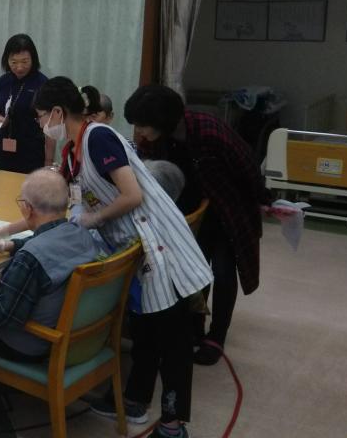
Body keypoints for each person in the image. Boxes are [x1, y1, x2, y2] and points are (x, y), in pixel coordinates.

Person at [28, 77, 212, 438]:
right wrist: (6, 231)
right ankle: (135, 400)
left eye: (40, 116)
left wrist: (94, 218)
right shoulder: (71, 152)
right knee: (146, 331)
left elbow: (132, 196)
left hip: (160, 244)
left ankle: (173, 426)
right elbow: (57, 203)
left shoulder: (98, 137)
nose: (40, 124)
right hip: (135, 247)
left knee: (172, 338)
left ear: (57, 113)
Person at [124, 84, 270, 366]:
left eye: (142, 125)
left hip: (229, 207)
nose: (138, 131)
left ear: (162, 121)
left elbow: (248, 166)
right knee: (192, 267)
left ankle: (217, 336)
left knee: (224, 271)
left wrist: (265, 199)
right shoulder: (153, 140)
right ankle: (194, 325)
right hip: (189, 209)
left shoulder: (209, 130)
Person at [0, 168, 98, 361]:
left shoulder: (29, 259)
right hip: (77, 339)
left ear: (27, 209)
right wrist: (5, 245)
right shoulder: (80, 233)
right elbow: (50, 243)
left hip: (28, 344)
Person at [0, 34, 54, 173]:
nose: (19, 67)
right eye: (14, 62)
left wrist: (48, 161)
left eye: (25, 62)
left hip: (32, 155)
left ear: (33, 59)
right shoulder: (3, 81)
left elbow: (50, 126)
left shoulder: (42, 83)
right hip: (5, 153)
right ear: (7, 60)